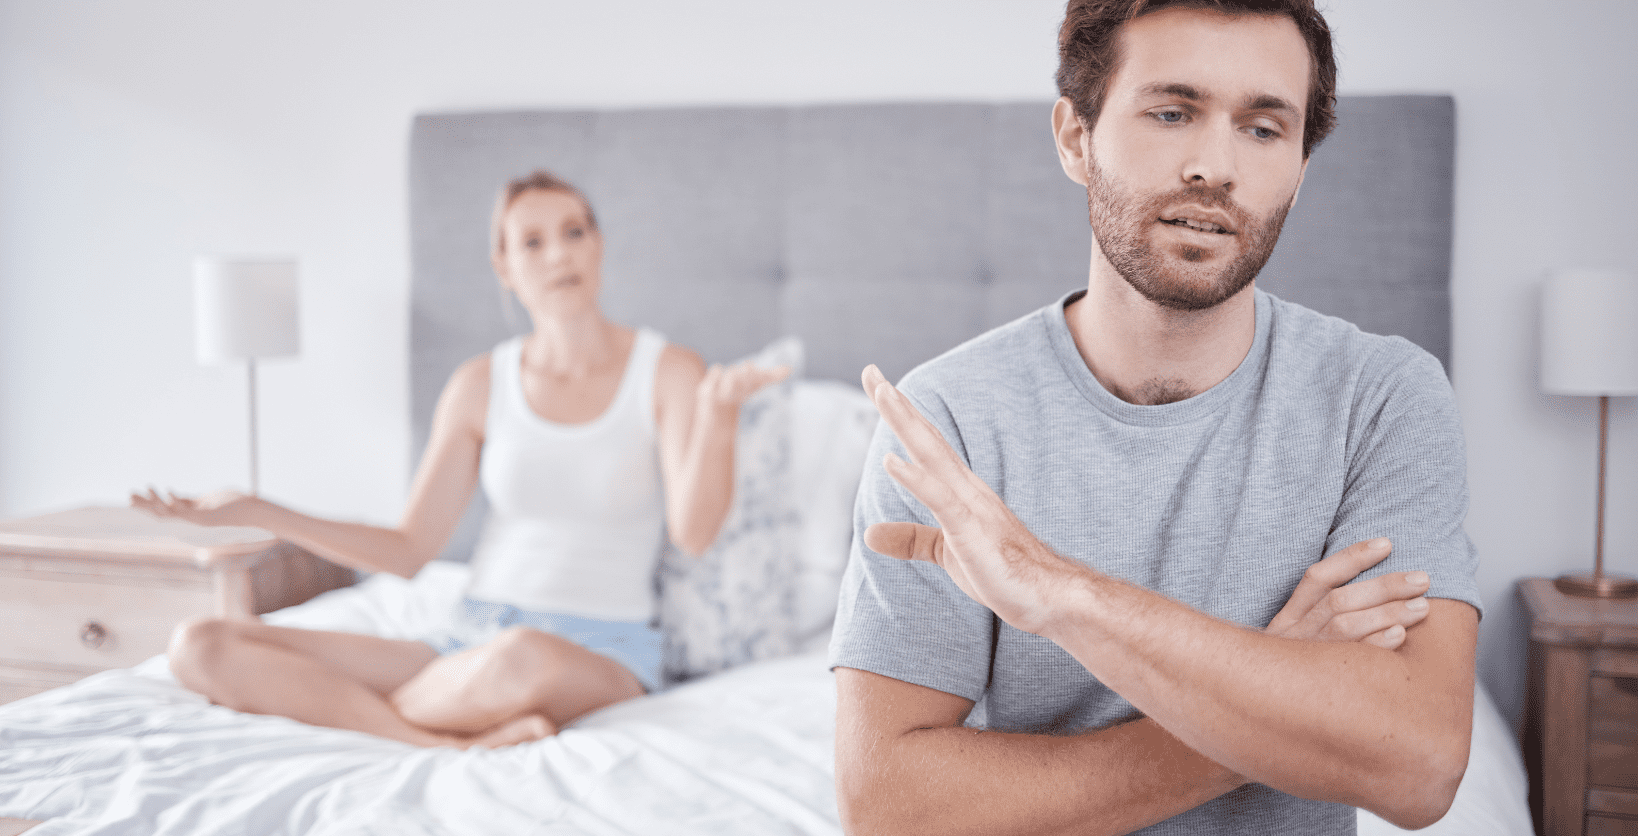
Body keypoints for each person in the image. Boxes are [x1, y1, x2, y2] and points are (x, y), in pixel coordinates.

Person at [829, 2, 1481, 834]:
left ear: (1301, 166)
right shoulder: (948, 419)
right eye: (1172, 113)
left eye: (1263, 128)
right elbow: (887, 808)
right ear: (1075, 137)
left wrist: (1061, 594)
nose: (1215, 165)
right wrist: (1282, 694)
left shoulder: (1382, 398)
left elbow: (1418, 766)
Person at [135, 170, 785, 749]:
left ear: (599, 244)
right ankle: (439, 739)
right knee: (201, 644)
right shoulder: (480, 384)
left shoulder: (668, 370)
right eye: (532, 242)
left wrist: (719, 419)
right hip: (463, 641)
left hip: (594, 650)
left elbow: (694, 534)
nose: (559, 253)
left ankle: (370, 717)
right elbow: (410, 548)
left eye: (575, 231)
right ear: (503, 267)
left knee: (520, 658)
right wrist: (259, 510)